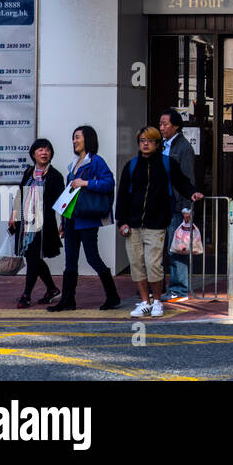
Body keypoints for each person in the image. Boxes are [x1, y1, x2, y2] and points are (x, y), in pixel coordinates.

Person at [118, 126, 203, 318]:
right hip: (133, 225)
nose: (145, 144)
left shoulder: (167, 163)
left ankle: (157, 301)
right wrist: (122, 222)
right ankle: (145, 301)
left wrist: (192, 193)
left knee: (153, 264)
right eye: (142, 140)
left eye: (150, 141)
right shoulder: (131, 166)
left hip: (156, 224)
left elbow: (182, 181)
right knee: (136, 264)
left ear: (157, 144)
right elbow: (122, 195)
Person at [48, 125, 121, 312]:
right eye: (73, 138)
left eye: (77, 137)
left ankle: (112, 296)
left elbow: (109, 183)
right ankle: (67, 300)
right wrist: (63, 222)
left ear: (88, 139)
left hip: (88, 219)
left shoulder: (96, 161)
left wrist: (85, 182)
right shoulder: (74, 164)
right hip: (73, 219)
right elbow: (68, 196)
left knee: (92, 258)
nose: (74, 141)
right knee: (70, 260)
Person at [9, 139, 65, 307]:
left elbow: (62, 201)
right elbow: (20, 194)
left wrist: (64, 222)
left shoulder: (55, 176)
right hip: (25, 224)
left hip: (43, 224)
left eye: (47, 150)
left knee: (33, 259)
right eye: (40, 150)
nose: (44, 152)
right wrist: (13, 214)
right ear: (33, 154)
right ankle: (52, 289)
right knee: (33, 258)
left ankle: (26, 295)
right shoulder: (28, 172)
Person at [157, 109, 196, 303]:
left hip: (177, 205)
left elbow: (187, 178)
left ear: (176, 126)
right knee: (163, 248)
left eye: (165, 124)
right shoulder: (162, 145)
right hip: (162, 204)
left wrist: (186, 207)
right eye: (161, 124)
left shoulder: (183, 148)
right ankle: (163, 286)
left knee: (177, 248)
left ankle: (179, 289)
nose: (161, 127)